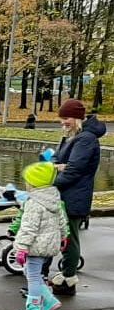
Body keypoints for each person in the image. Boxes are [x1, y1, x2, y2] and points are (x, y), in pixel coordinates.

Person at [48, 99, 106, 297]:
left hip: (74, 196)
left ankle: (68, 277)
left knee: (70, 238)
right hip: (67, 193)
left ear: (78, 118)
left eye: (66, 118)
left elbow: (74, 169)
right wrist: (58, 166)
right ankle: (64, 275)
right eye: (61, 118)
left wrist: (51, 184)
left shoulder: (85, 139)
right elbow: (56, 159)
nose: (63, 122)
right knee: (65, 237)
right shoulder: (72, 136)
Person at [11, 162, 69, 310]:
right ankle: (48, 301)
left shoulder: (33, 203)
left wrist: (21, 248)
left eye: (27, 181)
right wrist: (64, 237)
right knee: (32, 274)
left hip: (35, 246)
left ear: (34, 183)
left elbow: (28, 228)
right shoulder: (54, 199)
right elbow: (62, 221)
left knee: (33, 277)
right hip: (49, 245)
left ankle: (34, 309)